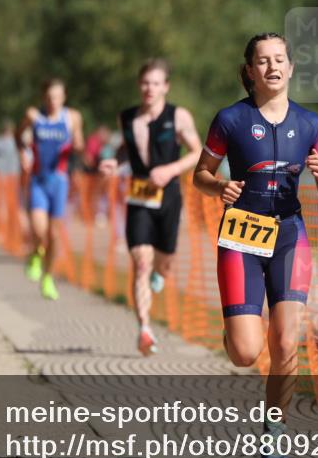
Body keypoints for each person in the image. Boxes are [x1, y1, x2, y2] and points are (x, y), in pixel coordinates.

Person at [193, 32, 318, 458]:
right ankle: (236, 331)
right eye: (263, 61)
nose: (273, 67)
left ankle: (274, 431)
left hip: (290, 235)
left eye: (280, 60)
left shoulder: (311, 125)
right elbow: (201, 174)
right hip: (242, 234)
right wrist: (221, 185)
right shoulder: (230, 120)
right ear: (250, 71)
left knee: (285, 341)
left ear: (291, 68)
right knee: (244, 353)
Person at [99, 58, 202, 355]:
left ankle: (161, 272)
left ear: (165, 87)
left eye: (156, 83)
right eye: (145, 82)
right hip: (139, 196)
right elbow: (124, 151)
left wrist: (170, 170)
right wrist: (114, 163)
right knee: (140, 260)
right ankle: (144, 328)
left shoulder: (179, 116)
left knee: (164, 262)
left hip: (169, 195)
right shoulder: (127, 117)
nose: (149, 88)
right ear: (139, 84)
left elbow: (197, 152)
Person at [16, 78, 85, 300]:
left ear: (63, 97)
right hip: (38, 180)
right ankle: (35, 254)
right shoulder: (33, 116)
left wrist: (77, 146)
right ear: (43, 97)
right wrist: (22, 154)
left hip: (59, 181)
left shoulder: (72, 117)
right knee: (38, 230)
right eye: (49, 97)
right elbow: (19, 136)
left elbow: (80, 144)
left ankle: (47, 277)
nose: (53, 101)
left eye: (57, 96)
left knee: (54, 234)